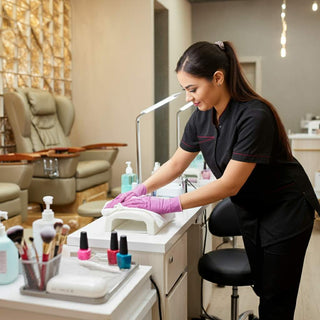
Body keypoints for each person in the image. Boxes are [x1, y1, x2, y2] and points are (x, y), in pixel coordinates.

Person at [106, 40, 320, 320]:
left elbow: (230, 184)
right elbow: (176, 163)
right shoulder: (201, 118)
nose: (187, 98)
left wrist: (165, 205)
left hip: (286, 208)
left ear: (218, 78)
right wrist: (142, 188)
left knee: (276, 298)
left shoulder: (255, 116)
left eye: (192, 89)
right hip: (253, 209)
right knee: (263, 285)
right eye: (185, 90)